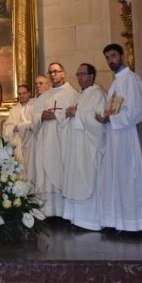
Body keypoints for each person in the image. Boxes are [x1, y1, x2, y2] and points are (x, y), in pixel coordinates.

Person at [96, 43, 142, 231]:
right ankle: (117, 222)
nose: (110, 61)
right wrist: (104, 119)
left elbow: (137, 111)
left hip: (125, 136)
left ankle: (132, 224)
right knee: (114, 179)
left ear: (122, 56)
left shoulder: (131, 79)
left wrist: (112, 120)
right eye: (107, 57)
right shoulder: (115, 82)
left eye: (113, 56)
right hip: (114, 137)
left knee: (127, 180)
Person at [61, 63, 106, 231]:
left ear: (92, 76)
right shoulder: (80, 95)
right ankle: (76, 218)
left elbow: (100, 120)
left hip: (88, 147)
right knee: (75, 179)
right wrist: (69, 114)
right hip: (76, 145)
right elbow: (72, 116)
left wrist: (77, 114)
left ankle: (90, 220)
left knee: (88, 180)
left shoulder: (98, 94)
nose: (79, 77)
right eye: (78, 74)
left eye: (83, 74)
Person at [32, 62, 78, 217]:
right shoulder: (45, 96)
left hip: (62, 140)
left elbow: (75, 115)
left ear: (63, 73)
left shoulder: (72, 94)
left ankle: (64, 212)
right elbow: (35, 115)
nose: (53, 74)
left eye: (56, 71)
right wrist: (41, 117)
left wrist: (56, 115)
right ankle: (49, 211)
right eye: (50, 72)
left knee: (62, 171)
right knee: (46, 172)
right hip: (46, 140)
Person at [2, 84, 33, 170]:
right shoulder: (13, 110)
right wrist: (13, 128)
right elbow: (6, 128)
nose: (22, 96)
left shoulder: (34, 106)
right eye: (19, 94)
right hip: (18, 143)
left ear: (29, 93)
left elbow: (36, 124)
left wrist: (23, 127)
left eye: (24, 93)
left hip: (31, 143)